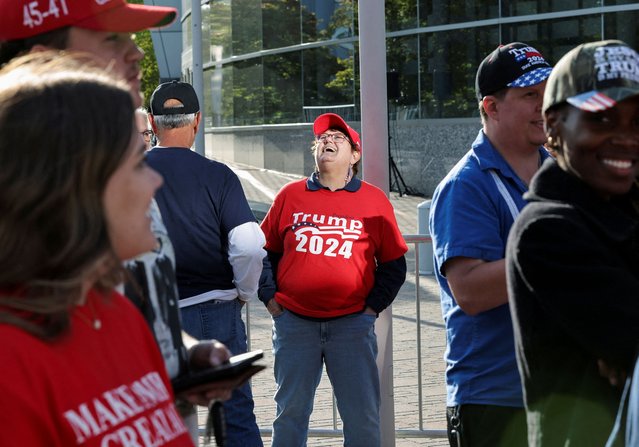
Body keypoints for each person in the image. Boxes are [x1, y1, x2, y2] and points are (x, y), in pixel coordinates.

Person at [0, 2, 237, 443]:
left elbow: (143, 321)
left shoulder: (114, 313)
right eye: (111, 37)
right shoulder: (14, 366)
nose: (136, 54)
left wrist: (182, 355)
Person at [506, 39, 639, 446]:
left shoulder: (625, 209)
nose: (626, 138)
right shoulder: (546, 230)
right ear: (553, 126)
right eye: (602, 120)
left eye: (638, 122)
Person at [428, 42, 553, 446]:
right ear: (492, 107)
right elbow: (470, 290)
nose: (543, 106)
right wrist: (560, 251)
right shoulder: (466, 185)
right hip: (494, 401)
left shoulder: (564, 175)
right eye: (530, 95)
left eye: (549, 93)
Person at [259, 112, 408, 447]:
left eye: (338, 138)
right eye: (322, 138)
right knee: (290, 415)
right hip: (295, 324)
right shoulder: (289, 195)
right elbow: (264, 251)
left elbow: (394, 264)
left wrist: (370, 309)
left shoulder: (373, 200)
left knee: (362, 418)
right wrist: (270, 299)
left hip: (352, 327)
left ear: (355, 156)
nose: (327, 141)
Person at [146, 80, 266, 447]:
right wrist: (245, 292)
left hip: (152, 316)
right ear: (197, 121)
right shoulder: (220, 176)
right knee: (235, 418)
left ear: (153, 123)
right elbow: (248, 245)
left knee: (158, 419)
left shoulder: (127, 175)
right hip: (215, 312)